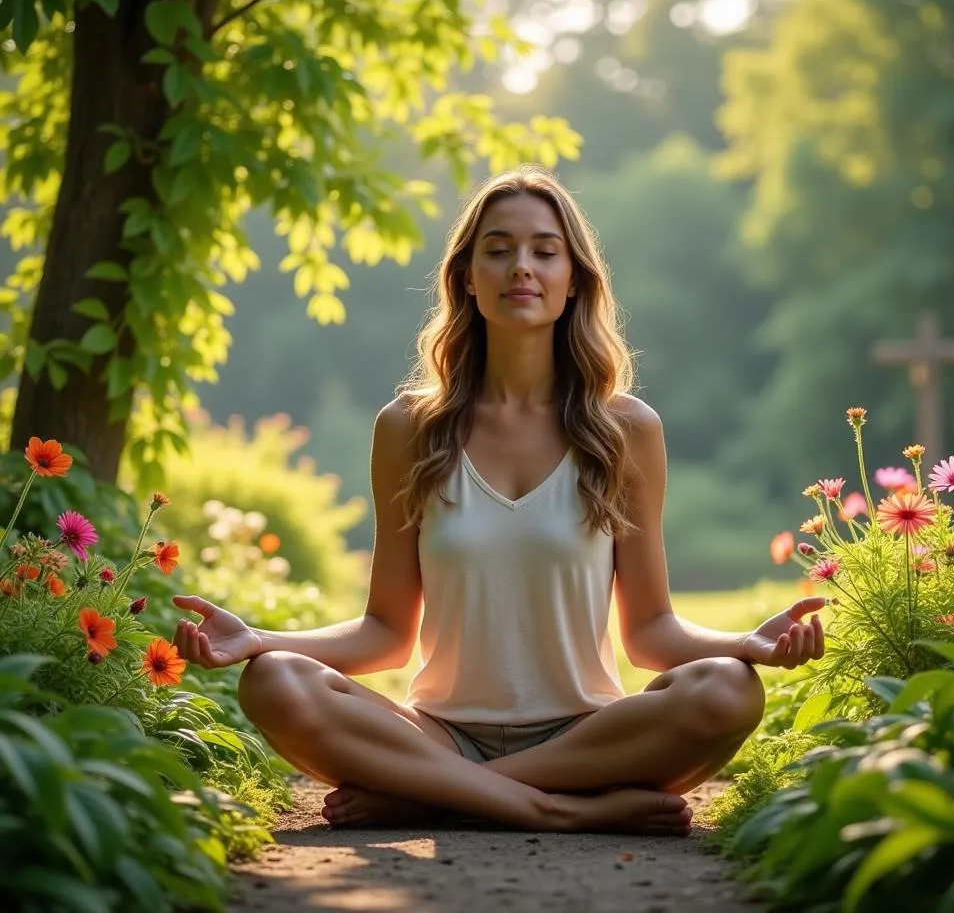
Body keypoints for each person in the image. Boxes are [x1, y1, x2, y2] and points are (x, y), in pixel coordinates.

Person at [172, 166, 826, 836]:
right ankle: (556, 812)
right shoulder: (408, 428)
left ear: (574, 279)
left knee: (727, 688)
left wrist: (745, 643)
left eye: (545, 250)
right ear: (466, 276)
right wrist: (260, 639)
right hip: (438, 736)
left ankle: (435, 799)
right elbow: (386, 635)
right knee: (273, 681)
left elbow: (651, 633)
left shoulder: (627, 429)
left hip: (589, 738)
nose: (522, 267)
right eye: (499, 249)